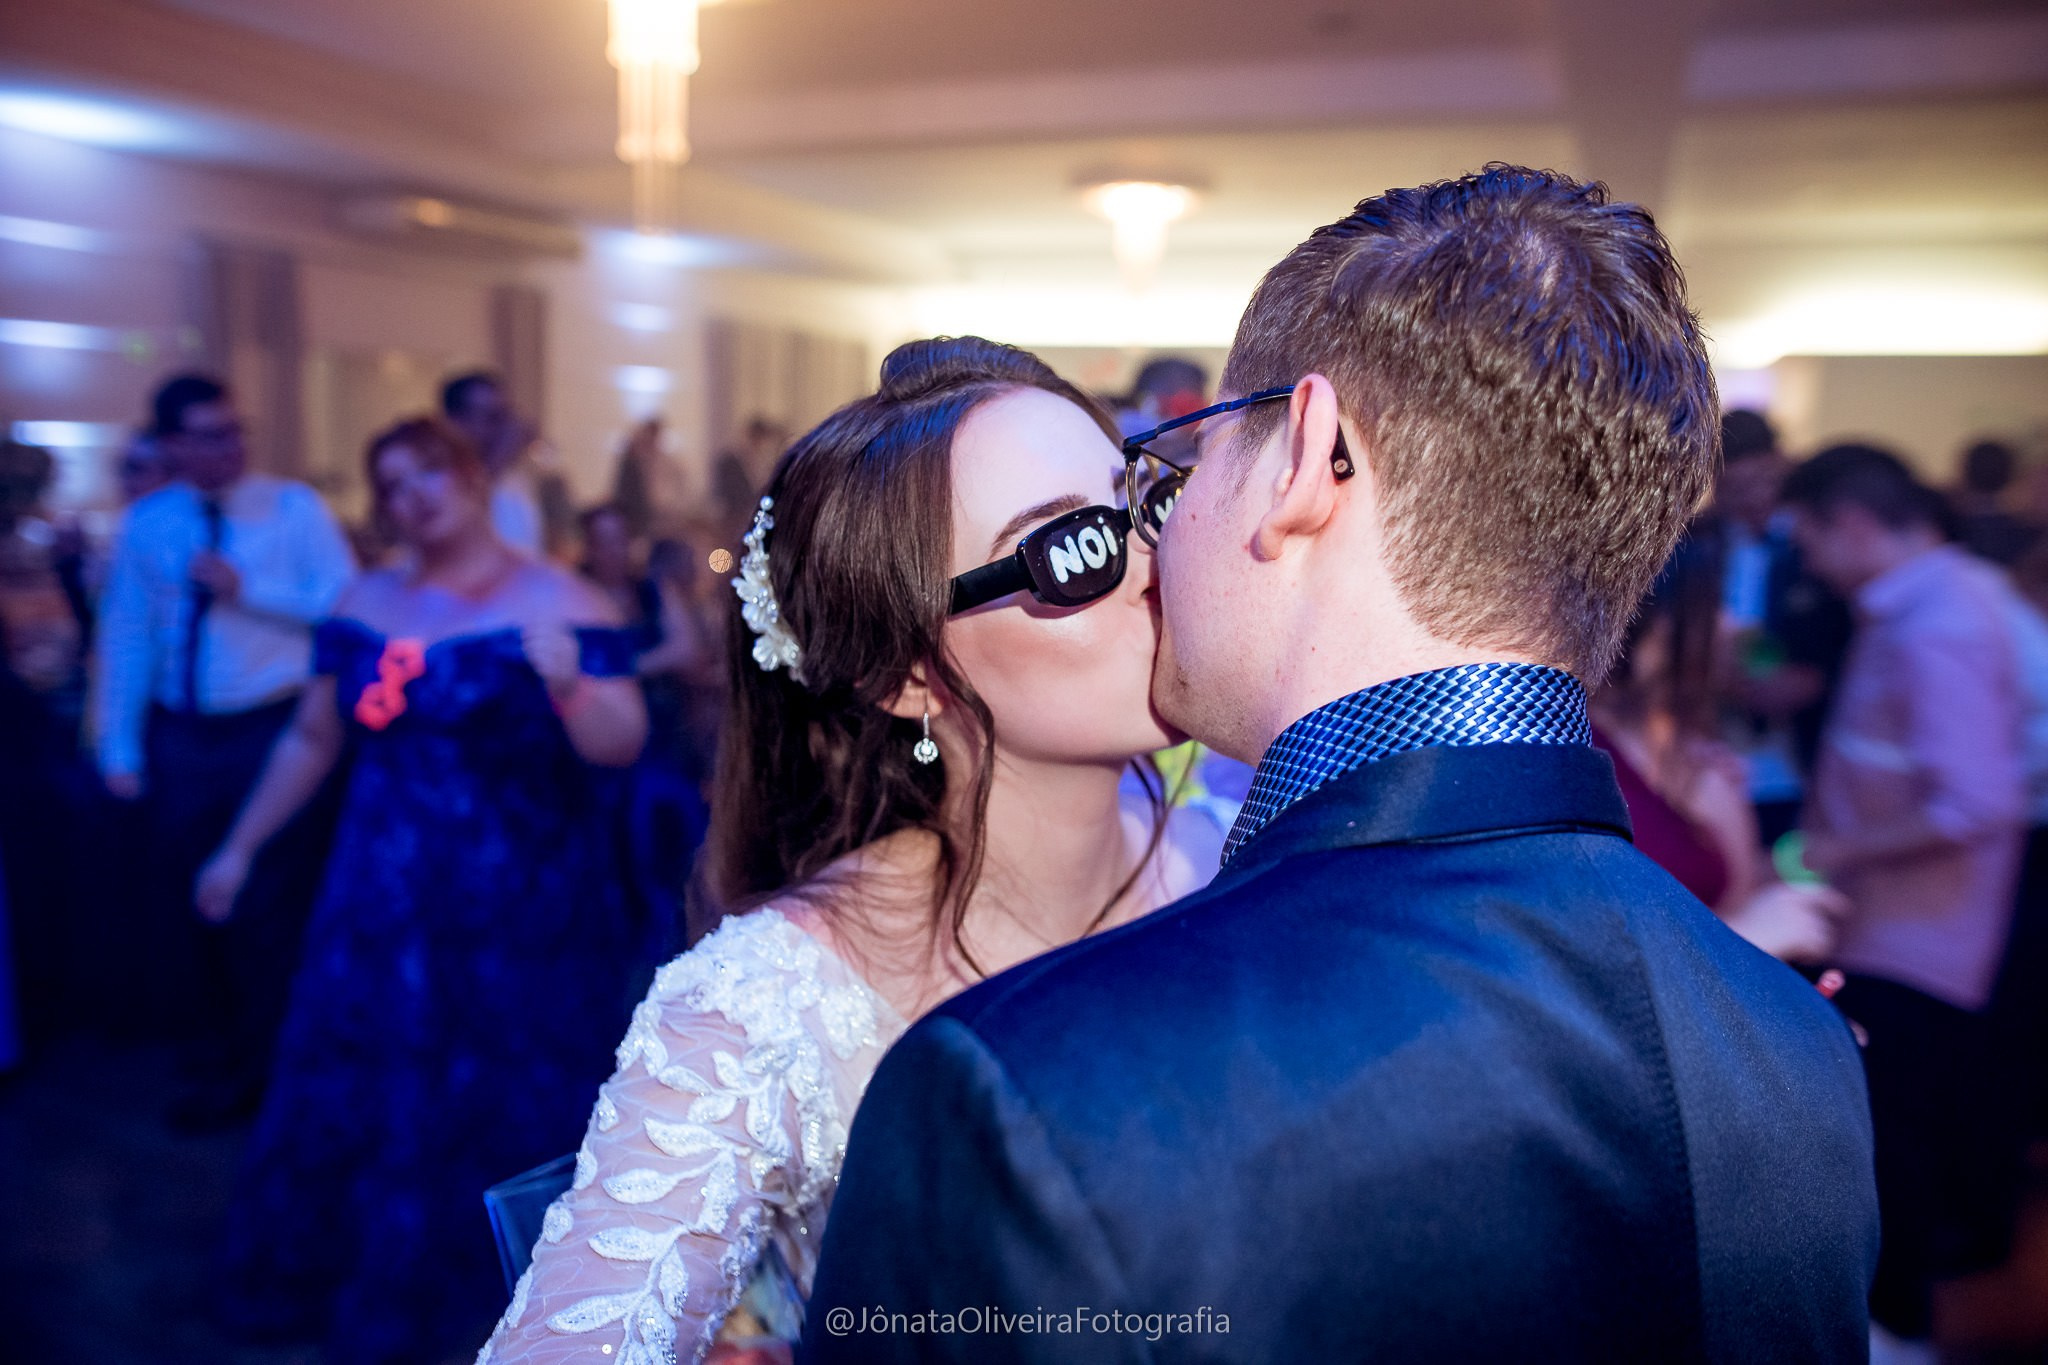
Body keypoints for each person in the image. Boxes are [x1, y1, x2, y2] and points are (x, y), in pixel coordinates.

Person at [806, 167, 1878, 1362]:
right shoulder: (1794, 1044)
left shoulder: (1023, 1089)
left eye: (1186, 463)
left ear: (1307, 461)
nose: (1157, 540)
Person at [477, 337, 1221, 1364]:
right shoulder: (762, 1008)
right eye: (1073, 549)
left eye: (1147, 506)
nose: (1155, 568)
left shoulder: (1237, 854)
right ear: (907, 673)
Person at [197, 416, 650, 1364]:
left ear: (473, 477)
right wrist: (239, 848)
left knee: (507, 1091)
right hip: (383, 901)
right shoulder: (365, 598)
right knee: (374, 1082)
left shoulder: (560, 596)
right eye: (393, 485)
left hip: (520, 909)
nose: (414, 497)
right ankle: (363, 1284)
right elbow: (312, 738)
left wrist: (571, 684)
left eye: (430, 474)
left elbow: (622, 744)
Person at [1781, 442, 2031, 1358]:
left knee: (1896, 1150)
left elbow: (1975, 800)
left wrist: (1834, 850)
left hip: (1914, 939)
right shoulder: (1937, 600)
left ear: (1852, 523)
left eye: (1810, 539)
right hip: (1905, 928)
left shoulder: (1938, 621)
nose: (1809, 563)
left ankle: (1894, 1336)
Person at [93, 372, 355, 1128]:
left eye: (236, 430)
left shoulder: (293, 508)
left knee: (265, 902)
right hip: (182, 733)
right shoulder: (149, 523)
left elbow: (348, 607)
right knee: (194, 901)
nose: (229, 448)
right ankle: (220, 1048)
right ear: (172, 444)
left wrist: (251, 590)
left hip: (273, 729)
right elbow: (127, 634)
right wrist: (118, 748)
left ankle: (260, 1073)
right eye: (209, 435)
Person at [1593, 531, 1849, 963]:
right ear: (1646, 619)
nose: (1733, 626)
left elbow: (1729, 903)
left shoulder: (1696, 757)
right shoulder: (1576, 753)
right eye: (1714, 606)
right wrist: (1750, 936)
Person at [1709, 408, 1853, 843]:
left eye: (1763, 482)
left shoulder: (1817, 550)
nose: (1753, 500)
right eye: (1735, 489)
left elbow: (1840, 647)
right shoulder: (1699, 548)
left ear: (1782, 467)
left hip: (1805, 758)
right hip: (1721, 751)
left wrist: (1813, 680)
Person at [443, 369, 546, 557]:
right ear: (455, 422)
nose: (505, 427)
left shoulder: (515, 475)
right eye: (492, 416)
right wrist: (501, 456)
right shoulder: (436, 477)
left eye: (506, 414)